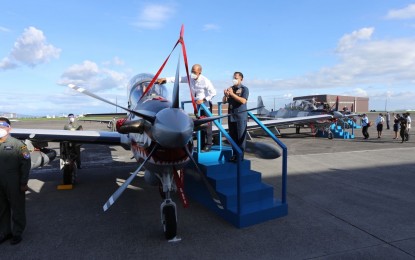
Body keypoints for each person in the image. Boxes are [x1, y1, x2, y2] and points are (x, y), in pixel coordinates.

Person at [157, 64, 216, 152]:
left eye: (195, 72)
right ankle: (202, 144)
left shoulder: (205, 81)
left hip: (205, 105)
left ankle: (208, 145)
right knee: (199, 125)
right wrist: (165, 79)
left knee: (207, 126)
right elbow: (178, 79)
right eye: (192, 71)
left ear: (200, 72)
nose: (193, 73)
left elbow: (213, 92)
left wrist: (204, 99)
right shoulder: (190, 78)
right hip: (197, 106)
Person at [0, 117, 31, 245]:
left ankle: (17, 233)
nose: (0, 129)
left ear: (9, 128)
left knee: (17, 207)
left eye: (3, 126)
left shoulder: (18, 145)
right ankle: (5, 232)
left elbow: (26, 163)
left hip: (13, 180)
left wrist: (23, 182)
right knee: (1, 208)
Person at [222, 72, 249, 162]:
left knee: (240, 138)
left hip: (240, 116)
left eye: (236, 78)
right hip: (231, 116)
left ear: (241, 79)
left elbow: (243, 101)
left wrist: (232, 94)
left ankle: (240, 156)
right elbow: (224, 102)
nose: (234, 79)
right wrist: (226, 95)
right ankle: (234, 155)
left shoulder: (244, 89)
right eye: (233, 78)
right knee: (233, 137)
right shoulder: (231, 88)